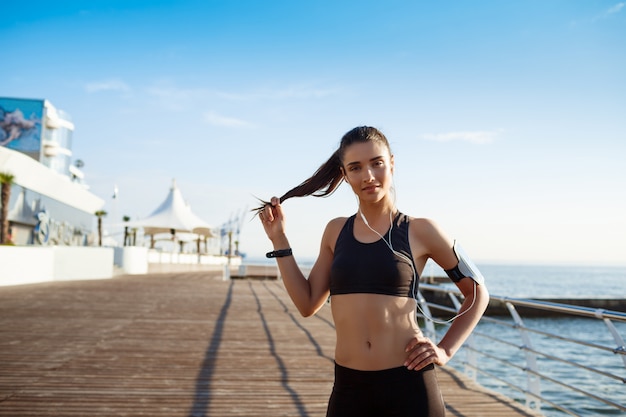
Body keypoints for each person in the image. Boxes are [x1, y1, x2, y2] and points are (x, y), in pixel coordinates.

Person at [257, 126, 489, 417]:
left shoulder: (421, 230)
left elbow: (478, 292)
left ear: (391, 163)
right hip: (349, 389)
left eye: (376, 163)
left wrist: (445, 350)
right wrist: (279, 239)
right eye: (355, 168)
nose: (368, 176)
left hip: (409, 385)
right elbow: (307, 303)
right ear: (344, 174)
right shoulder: (335, 231)